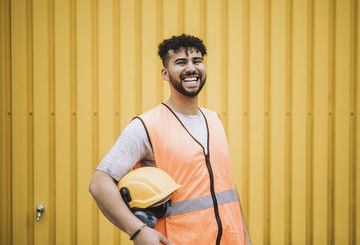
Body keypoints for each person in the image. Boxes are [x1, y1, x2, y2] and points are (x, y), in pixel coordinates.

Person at [89, 34, 252, 245]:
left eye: (197, 61)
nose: (191, 68)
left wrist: (245, 238)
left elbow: (226, 188)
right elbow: (99, 183)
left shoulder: (214, 119)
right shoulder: (146, 126)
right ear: (165, 74)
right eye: (181, 62)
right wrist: (138, 231)